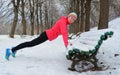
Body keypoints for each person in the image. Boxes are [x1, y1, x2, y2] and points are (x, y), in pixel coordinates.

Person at [5, 12, 77, 60]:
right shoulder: (63, 22)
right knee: (30, 44)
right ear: (68, 16)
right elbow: (64, 33)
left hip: (46, 35)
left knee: (30, 43)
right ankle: (11, 50)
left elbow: (65, 33)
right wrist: (66, 44)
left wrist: (68, 41)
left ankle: (14, 49)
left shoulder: (65, 22)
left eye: (74, 19)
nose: (72, 20)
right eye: (72, 17)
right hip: (45, 35)